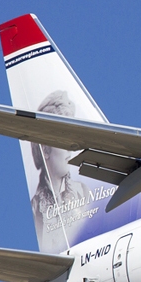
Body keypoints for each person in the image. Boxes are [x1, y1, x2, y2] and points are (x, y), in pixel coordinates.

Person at [30, 90, 92, 252]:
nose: (70, 149)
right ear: (45, 150)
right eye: (63, 141)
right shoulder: (36, 207)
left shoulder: (82, 191)